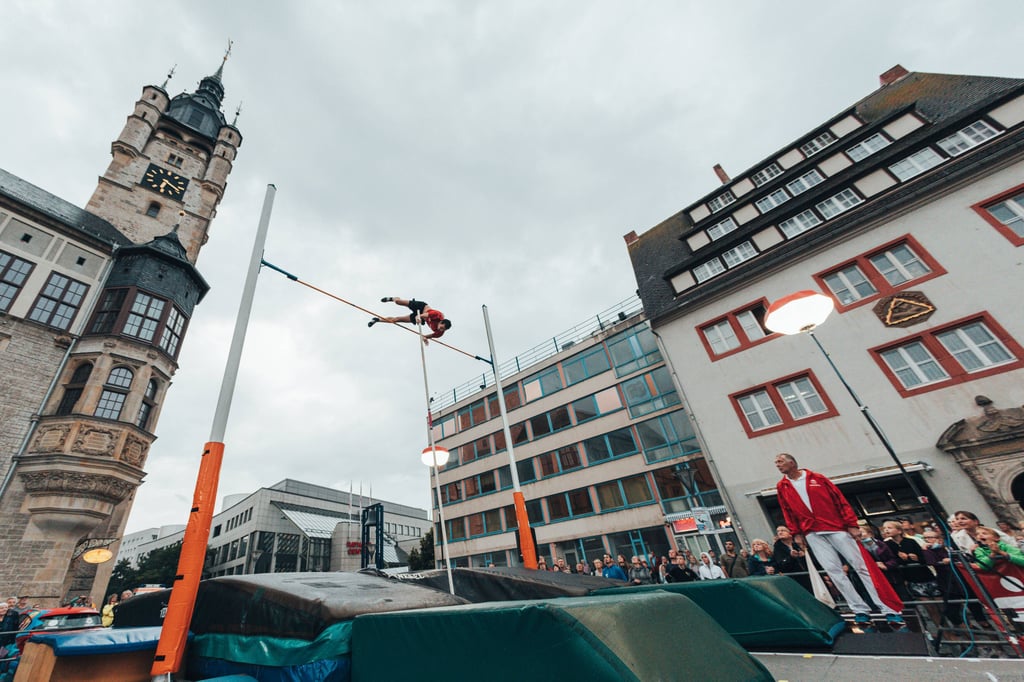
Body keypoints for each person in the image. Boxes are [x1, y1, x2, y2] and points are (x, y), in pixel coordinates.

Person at [774, 453, 906, 632]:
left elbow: (839, 500)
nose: (777, 464)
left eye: (780, 461)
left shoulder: (817, 478)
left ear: (792, 462)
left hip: (836, 527)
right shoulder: (782, 486)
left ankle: (887, 608)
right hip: (811, 532)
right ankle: (859, 609)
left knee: (861, 567)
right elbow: (787, 511)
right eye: (776, 462)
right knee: (833, 571)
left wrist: (851, 524)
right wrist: (796, 532)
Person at [369, 297, 451, 344]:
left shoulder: (439, 333)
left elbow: (426, 336)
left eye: (443, 329)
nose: (440, 329)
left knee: (396, 319)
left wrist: (425, 339)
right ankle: (392, 298)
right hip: (421, 308)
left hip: (421, 318)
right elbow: (426, 315)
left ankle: (377, 319)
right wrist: (419, 316)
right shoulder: (438, 315)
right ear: (441, 322)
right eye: (441, 327)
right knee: (398, 302)